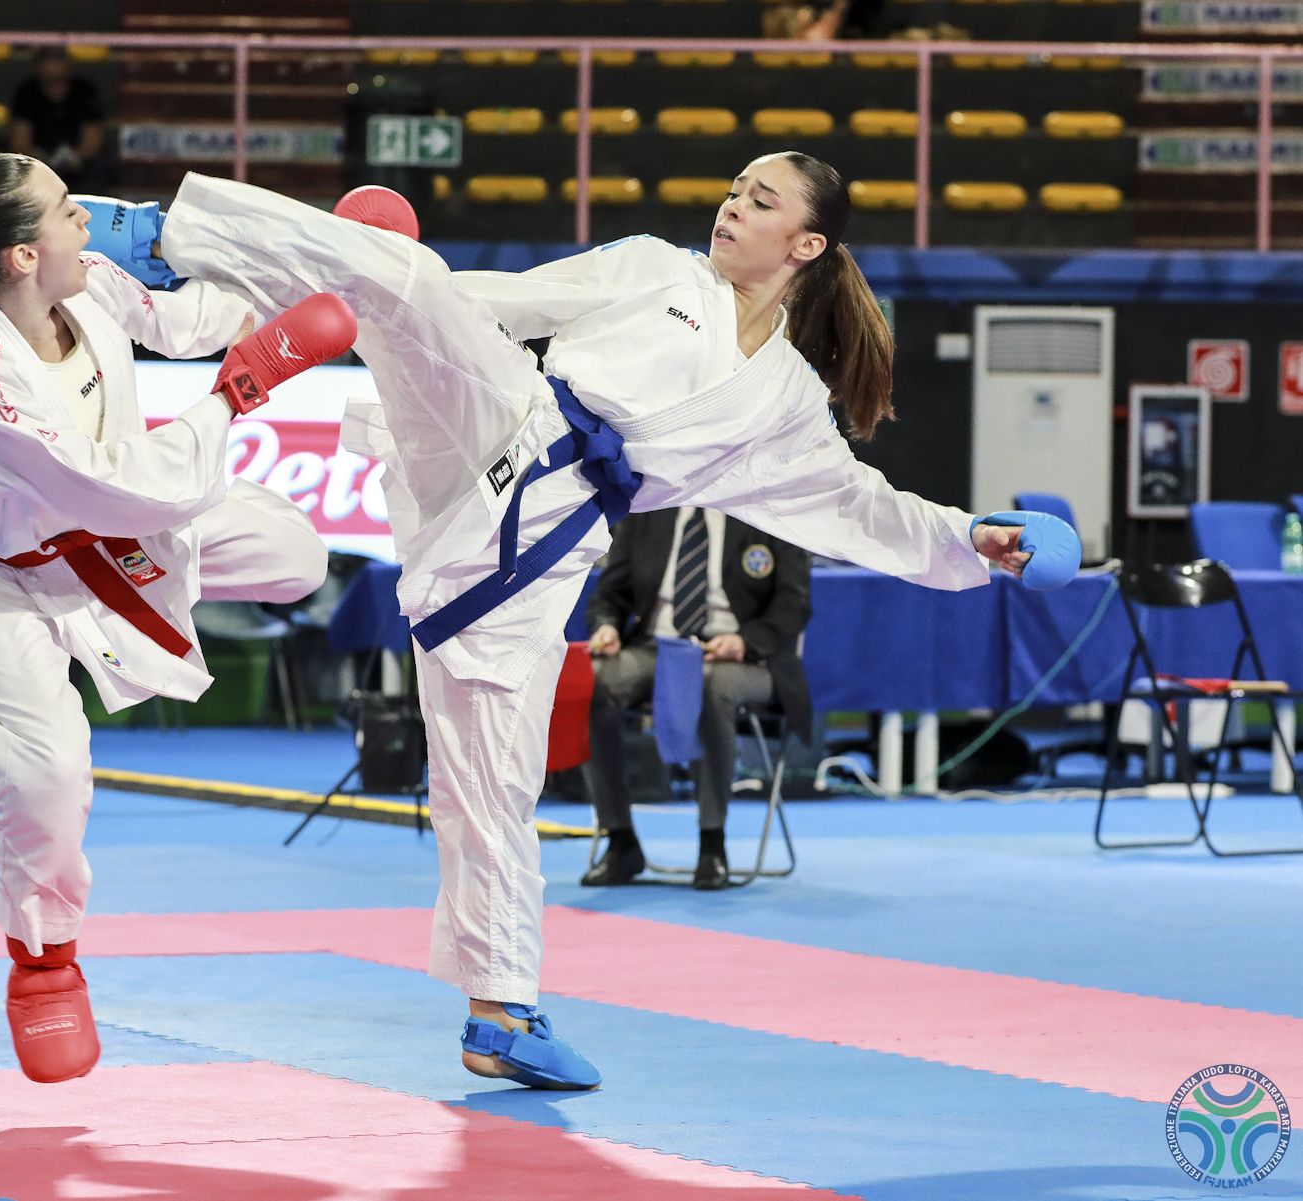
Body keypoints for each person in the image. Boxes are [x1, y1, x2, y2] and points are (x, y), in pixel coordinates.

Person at [93, 151, 1080, 1092]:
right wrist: (385, 295)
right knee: (411, 279)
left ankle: (501, 1014)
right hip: (501, 420)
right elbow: (505, 299)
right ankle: (161, 236)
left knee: (492, 779)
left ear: (806, 246)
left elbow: (862, 508)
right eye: (735, 188)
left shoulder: (783, 405)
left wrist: (967, 541)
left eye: (761, 198)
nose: (732, 203)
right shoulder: (653, 269)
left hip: (540, 554)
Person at [0, 152, 357, 1086]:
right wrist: (245, 385)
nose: (90, 223)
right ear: (21, 254)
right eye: (69, 210)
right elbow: (131, 491)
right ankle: (43, 958)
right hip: (1, 571)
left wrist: (315, 279)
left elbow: (182, 321)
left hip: (106, 524)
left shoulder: (83, 279)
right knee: (49, 767)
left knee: (296, 556)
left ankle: (28, 719)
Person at [582, 507, 812, 890]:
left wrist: (745, 641)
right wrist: (606, 626)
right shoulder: (650, 509)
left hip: (749, 659)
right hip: (656, 649)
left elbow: (794, 604)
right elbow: (609, 593)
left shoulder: (768, 510)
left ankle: (712, 843)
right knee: (589, 685)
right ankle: (620, 840)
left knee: (709, 683)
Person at [9, 47, 106, 190]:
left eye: (58, 79)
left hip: (80, 168)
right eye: (48, 79)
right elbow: (19, 141)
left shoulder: (85, 92)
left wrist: (73, 157)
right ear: (38, 68)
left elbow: (93, 142)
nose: (53, 81)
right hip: (35, 168)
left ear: (70, 66)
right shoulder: (26, 93)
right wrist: (38, 159)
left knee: (100, 168)